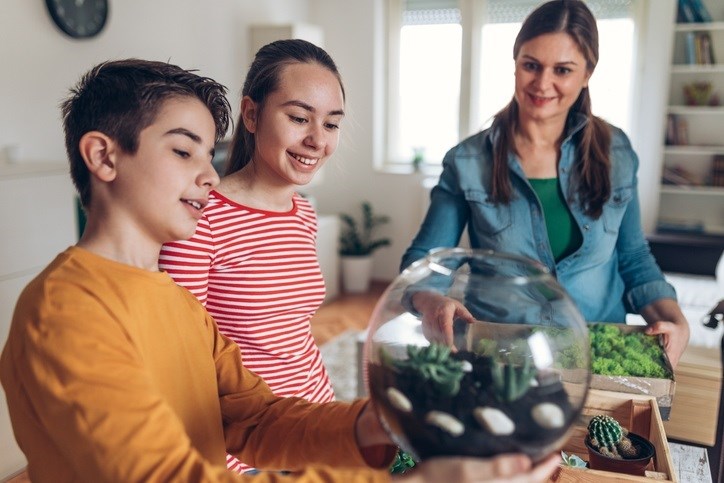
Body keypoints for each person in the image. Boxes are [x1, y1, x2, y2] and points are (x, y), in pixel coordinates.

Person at [0, 58, 561, 483]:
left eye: (208, 155)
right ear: (103, 156)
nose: (210, 176)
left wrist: (384, 420)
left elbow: (254, 419)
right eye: (182, 152)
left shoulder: (173, 302)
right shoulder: (68, 312)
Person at [400, 0, 690, 368]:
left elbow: (634, 259)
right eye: (531, 65)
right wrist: (431, 300)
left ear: (587, 73)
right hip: (502, 354)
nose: (542, 83)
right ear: (516, 63)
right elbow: (425, 261)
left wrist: (675, 320)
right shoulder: (467, 161)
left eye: (563, 70)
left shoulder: (616, 151)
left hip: (598, 352)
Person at [158, 39, 342, 473]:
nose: (317, 140)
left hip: (314, 421)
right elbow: (183, 359)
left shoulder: (304, 214)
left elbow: (292, 334)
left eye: (332, 124)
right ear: (253, 113)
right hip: (249, 448)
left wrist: (330, 423)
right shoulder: (201, 217)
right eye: (299, 118)